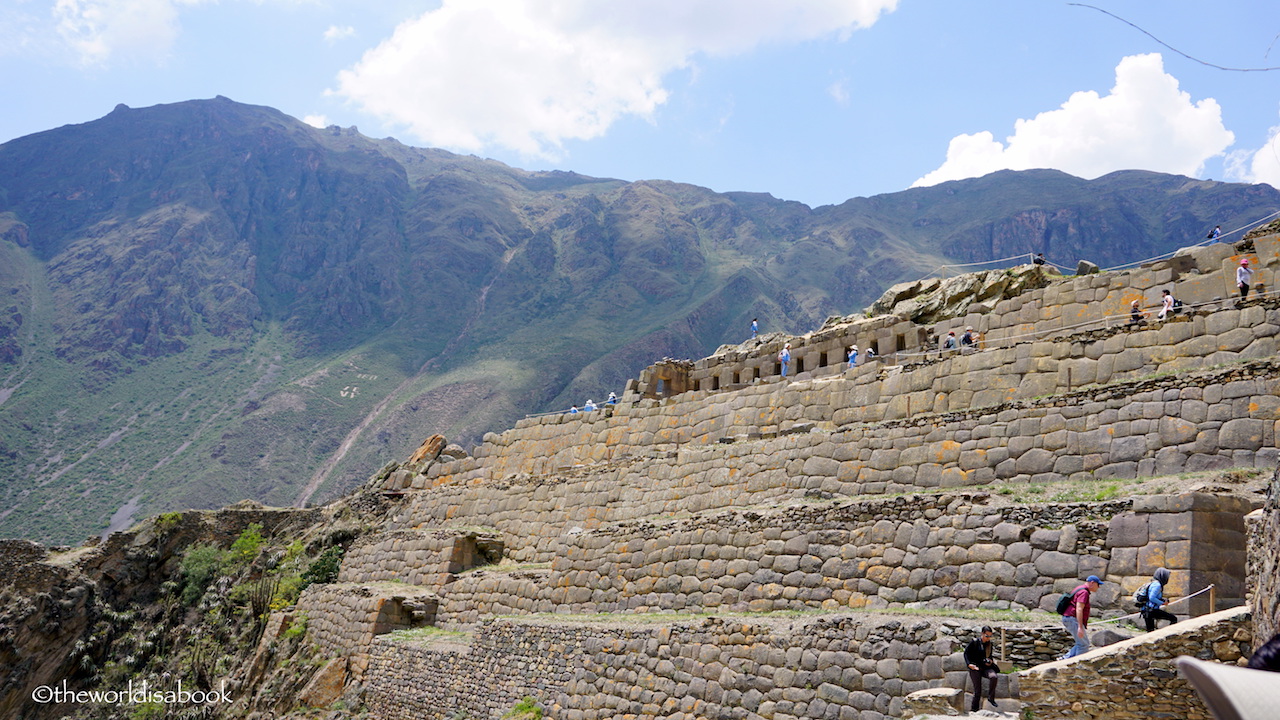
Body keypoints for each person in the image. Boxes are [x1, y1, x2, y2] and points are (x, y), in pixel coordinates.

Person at [1061, 575, 1102, 659]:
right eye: (1098, 584)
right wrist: (1080, 627)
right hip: (1072, 619)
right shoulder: (1084, 592)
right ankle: (1077, 664)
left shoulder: (1079, 588)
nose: (1099, 587)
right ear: (1092, 583)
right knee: (1083, 645)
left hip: (1068, 618)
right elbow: (1079, 609)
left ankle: (1064, 660)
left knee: (1081, 643)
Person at [964, 626, 1001, 712]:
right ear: (982, 634)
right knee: (978, 690)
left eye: (990, 636)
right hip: (975, 667)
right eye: (986, 636)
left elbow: (989, 656)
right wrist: (969, 664)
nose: (988, 638)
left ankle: (991, 698)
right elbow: (966, 653)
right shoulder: (975, 642)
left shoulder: (989, 644)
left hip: (986, 667)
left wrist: (990, 661)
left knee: (994, 677)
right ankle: (974, 710)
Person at [1139, 567, 1177, 632]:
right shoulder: (1157, 585)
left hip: (1147, 610)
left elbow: (1152, 597)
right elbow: (1152, 597)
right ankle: (1169, 634)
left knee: (1150, 631)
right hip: (1151, 611)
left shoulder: (1154, 583)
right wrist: (1162, 603)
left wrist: (1162, 600)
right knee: (1173, 618)